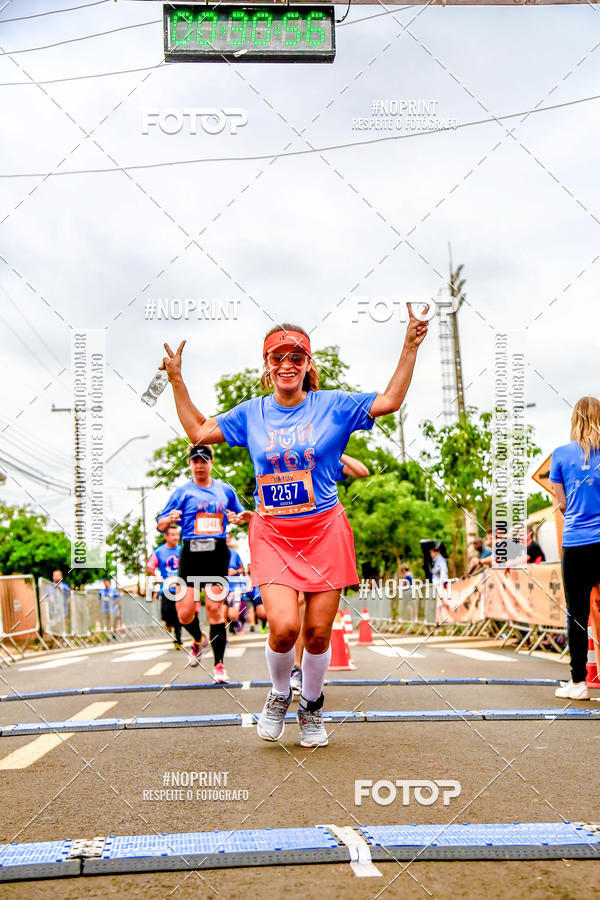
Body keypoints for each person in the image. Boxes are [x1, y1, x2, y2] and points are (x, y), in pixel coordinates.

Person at [161, 307, 428, 747]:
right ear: (267, 365)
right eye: (277, 356)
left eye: (296, 356)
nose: (287, 364)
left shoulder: (333, 406)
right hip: (273, 534)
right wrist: (176, 380)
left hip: (325, 531)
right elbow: (198, 429)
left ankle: (312, 707)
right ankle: (280, 694)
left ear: (308, 364)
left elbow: (390, 400)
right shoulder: (252, 413)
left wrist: (410, 346)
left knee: (318, 634)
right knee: (284, 627)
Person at [156, 444, 248, 683]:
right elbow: (160, 524)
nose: (199, 466)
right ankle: (199, 639)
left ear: (211, 463)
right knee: (184, 613)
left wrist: (236, 518)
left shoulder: (224, 490)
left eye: (204, 461)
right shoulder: (182, 492)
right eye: (195, 461)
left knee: (216, 610)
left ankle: (219, 665)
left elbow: (241, 516)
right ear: (189, 464)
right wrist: (169, 519)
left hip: (216, 552)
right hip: (192, 552)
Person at [290, 452, 369, 697]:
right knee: (299, 601)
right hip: (293, 534)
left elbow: (362, 471)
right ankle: (295, 667)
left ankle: (307, 670)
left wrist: (336, 448)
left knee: (316, 613)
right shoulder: (289, 460)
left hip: (323, 536)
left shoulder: (326, 459)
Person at [550, 396, 600, 700]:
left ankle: (579, 683)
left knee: (578, 614)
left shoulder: (560, 455)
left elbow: (563, 504)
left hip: (577, 542)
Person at [147, 524, 183, 649]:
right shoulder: (159, 551)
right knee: (166, 613)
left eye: (177, 534)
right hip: (166, 588)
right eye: (173, 535)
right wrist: (156, 576)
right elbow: (150, 566)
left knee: (178, 615)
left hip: (180, 588)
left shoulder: (182, 550)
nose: (176, 537)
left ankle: (178, 640)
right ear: (166, 536)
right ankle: (168, 622)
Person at [226, 534, 246, 634]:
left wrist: (235, 571)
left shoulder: (234, 554)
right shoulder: (215, 553)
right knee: (223, 611)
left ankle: (236, 623)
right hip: (220, 587)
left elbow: (242, 570)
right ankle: (224, 634)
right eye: (224, 538)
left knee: (234, 611)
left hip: (235, 586)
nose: (226, 540)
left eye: (228, 538)